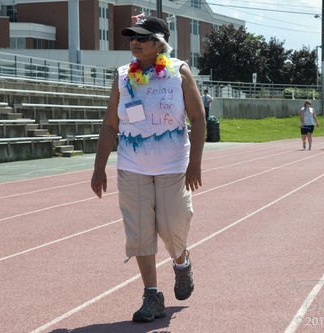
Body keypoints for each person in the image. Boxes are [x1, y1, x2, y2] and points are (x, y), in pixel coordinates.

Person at [90, 17, 205, 323]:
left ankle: (182, 263)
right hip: (131, 166)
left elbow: (199, 117)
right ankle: (151, 295)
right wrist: (99, 168)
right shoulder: (122, 76)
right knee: (140, 232)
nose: (135, 43)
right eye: (132, 38)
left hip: (172, 167)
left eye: (142, 38)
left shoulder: (178, 72)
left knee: (172, 227)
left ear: (160, 43)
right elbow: (110, 124)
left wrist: (195, 164)